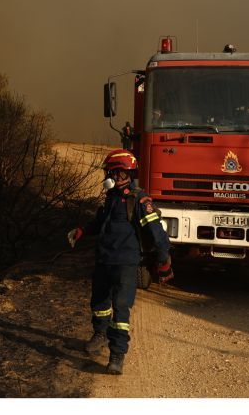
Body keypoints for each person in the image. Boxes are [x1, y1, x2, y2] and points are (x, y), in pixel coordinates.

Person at [66, 149, 173, 375]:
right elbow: (100, 222)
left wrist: (164, 262)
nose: (106, 176)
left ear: (120, 173)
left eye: (109, 172)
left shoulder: (139, 200)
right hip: (104, 260)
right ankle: (100, 335)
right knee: (99, 302)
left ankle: (117, 355)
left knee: (121, 309)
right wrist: (82, 230)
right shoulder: (111, 198)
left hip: (126, 263)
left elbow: (157, 233)